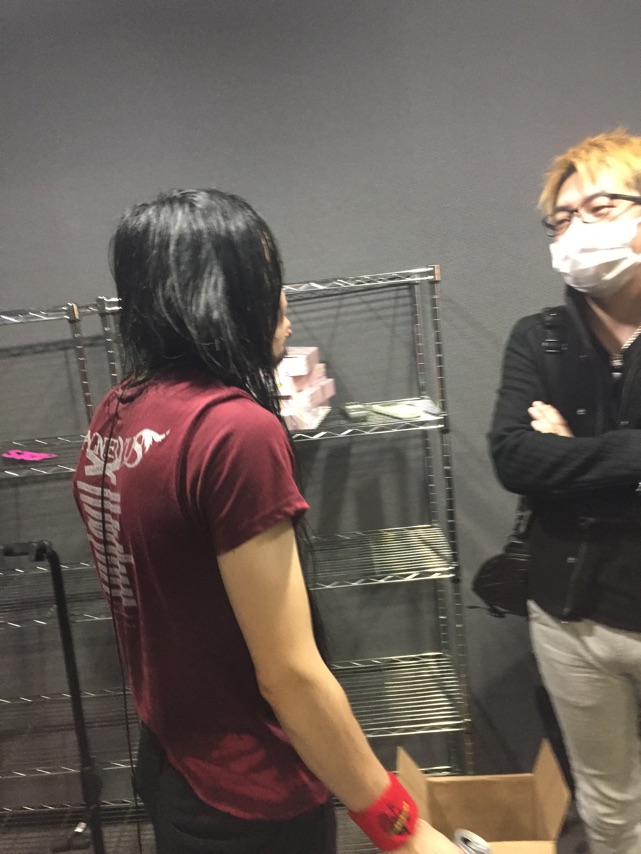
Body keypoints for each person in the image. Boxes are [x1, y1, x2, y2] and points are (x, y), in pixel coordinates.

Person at [73, 189, 458, 854]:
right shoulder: (232, 430)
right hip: (249, 792)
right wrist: (403, 830)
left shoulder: (118, 410)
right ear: (219, 293)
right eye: (265, 276)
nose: (282, 298)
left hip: (173, 760)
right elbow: (289, 675)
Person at [489, 130, 641, 854]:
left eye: (600, 207)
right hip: (571, 621)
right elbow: (513, 458)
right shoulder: (538, 338)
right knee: (608, 810)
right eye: (561, 219)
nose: (578, 228)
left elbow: (547, 464)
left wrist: (572, 454)